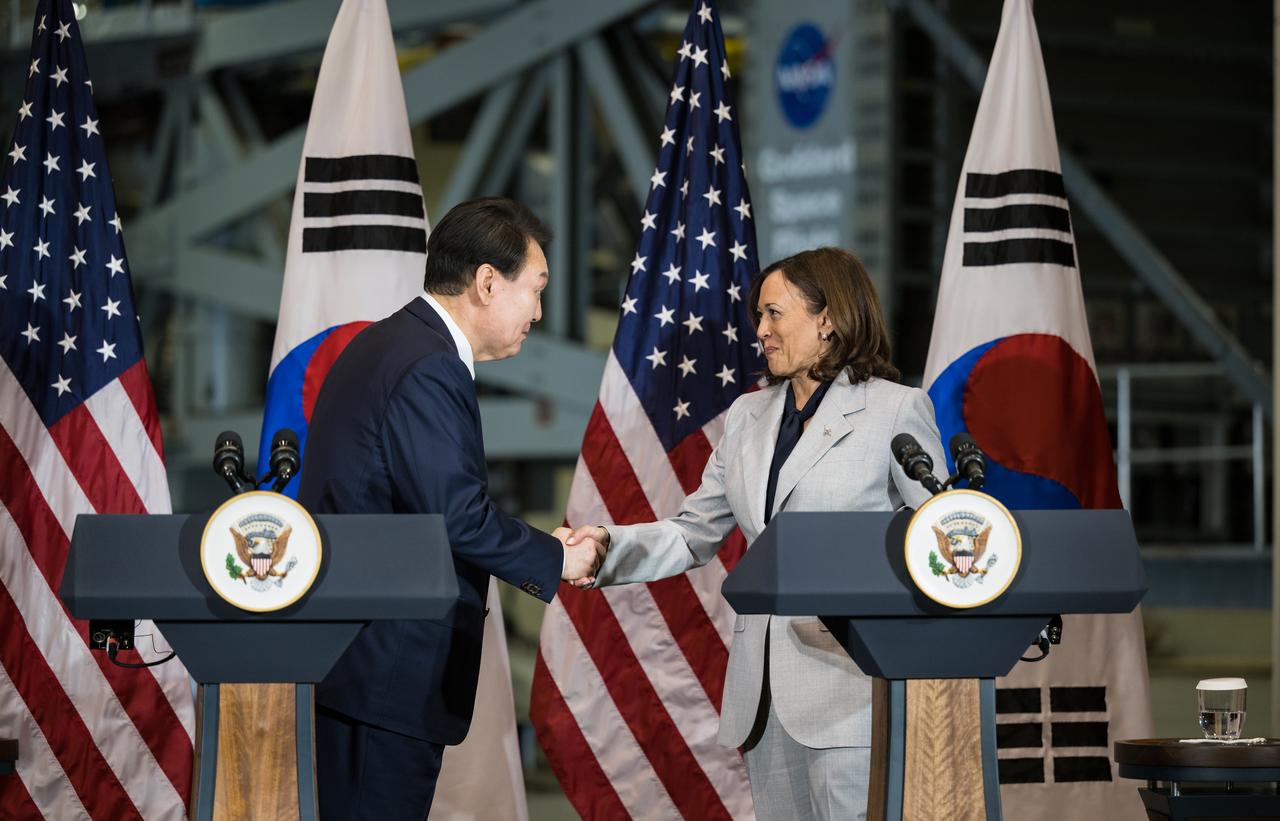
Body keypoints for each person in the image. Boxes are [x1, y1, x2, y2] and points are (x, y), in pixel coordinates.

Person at [561, 247, 947, 821]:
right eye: (758, 317)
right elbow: (693, 532)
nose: (759, 331)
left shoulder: (896, 411)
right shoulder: (748, 416)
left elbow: (939, 540)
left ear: (828, 318)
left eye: (773, 314)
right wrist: (604, 548)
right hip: (763, 699)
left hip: (852, 696)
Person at [299, 197, 603, 820]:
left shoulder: (390, 345)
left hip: (357, 669)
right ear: (487, 282)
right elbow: (458, 517)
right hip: (381, 677)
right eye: (535, 289)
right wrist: (559, 559)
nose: (540, 313)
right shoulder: (429, 365)